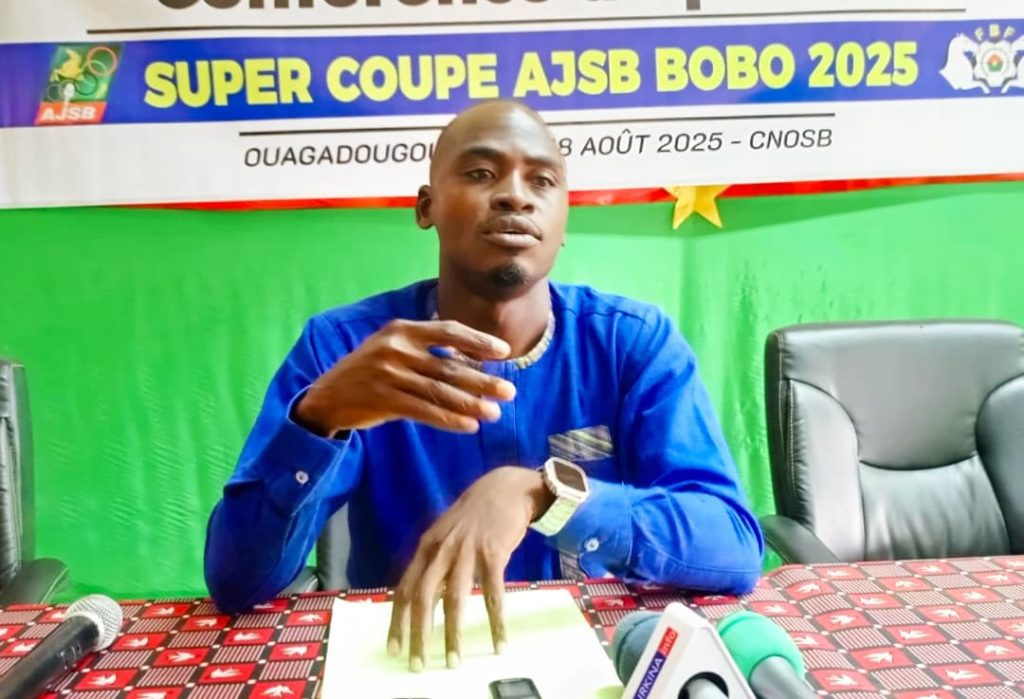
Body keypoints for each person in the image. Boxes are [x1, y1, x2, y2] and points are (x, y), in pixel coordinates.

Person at [204, 100, 763, 672]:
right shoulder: (347, 348)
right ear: (426, 207)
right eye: (480, 173)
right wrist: (318, 417)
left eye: (541, 181)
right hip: (410, 663)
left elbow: (733, 547)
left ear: (563, 219)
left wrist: (545, 494)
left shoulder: (631, 343)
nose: (515, 196)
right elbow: (236, 582)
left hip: (599, 661)